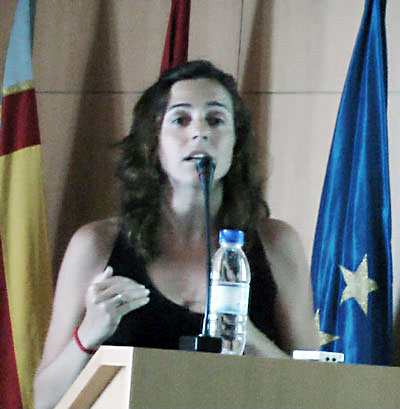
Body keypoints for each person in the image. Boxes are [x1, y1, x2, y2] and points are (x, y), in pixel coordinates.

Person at [33, 60, 319, 408]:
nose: (199, 133)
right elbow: (45, 398)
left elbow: (315, 392)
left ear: (235, 143)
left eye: (216, 120)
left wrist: (246, 336)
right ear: (154, 143)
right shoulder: (96, 244)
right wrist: (89, 333)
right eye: (180, 120)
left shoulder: (277, 244)